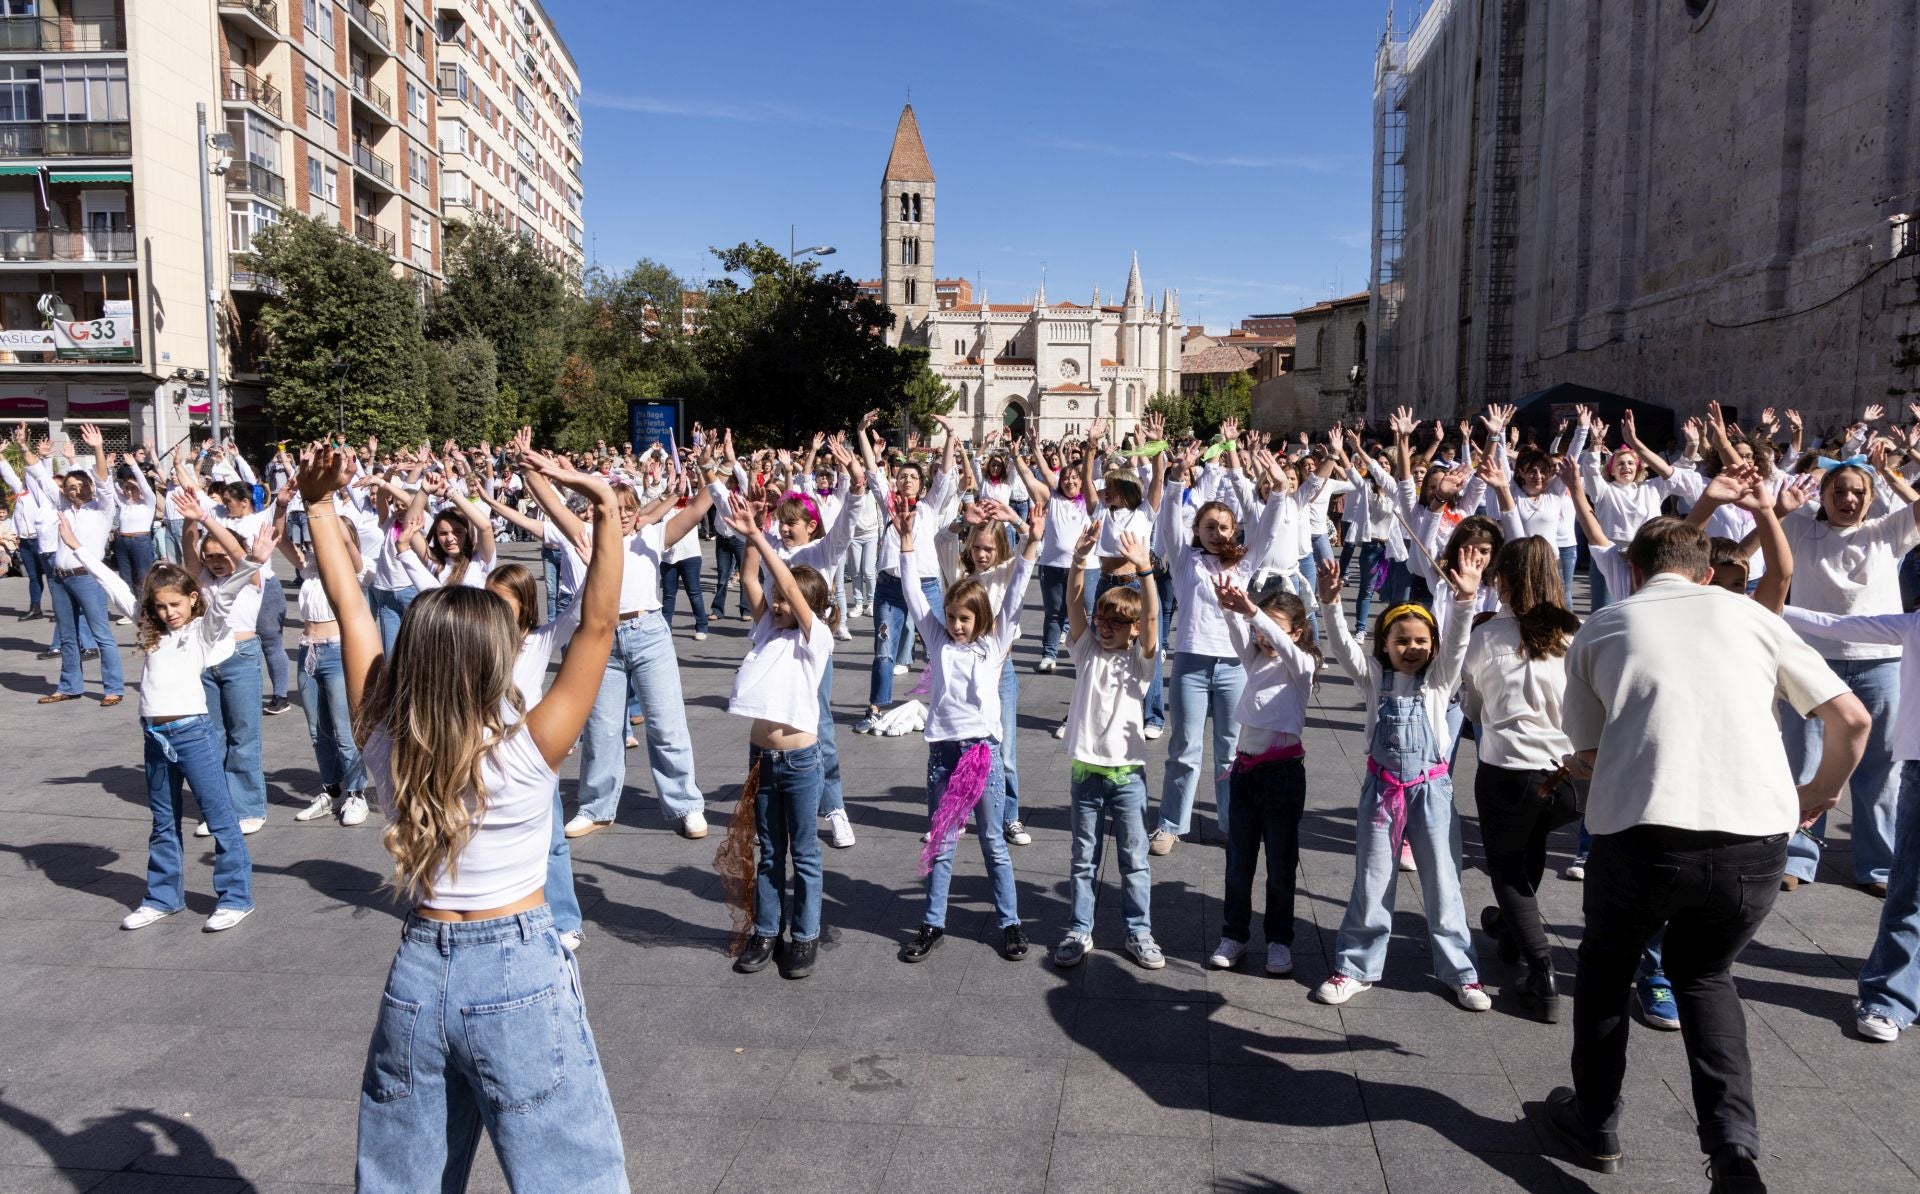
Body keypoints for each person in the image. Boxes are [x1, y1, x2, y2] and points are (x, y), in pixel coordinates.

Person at [300, 443, 631, 1192]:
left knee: (403, 1178)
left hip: (419, 964)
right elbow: (599, 628)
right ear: (495, 661)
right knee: (569, 1175)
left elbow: (354, 610)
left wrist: (318, 506)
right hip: (517, 961)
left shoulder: (385, 741)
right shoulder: (526, 751)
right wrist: (605, 509)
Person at [1546, 517, 1868, 1189]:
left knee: (1607, 971)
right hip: (1754, 837)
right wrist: (1819, 792)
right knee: (1705, 975)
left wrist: (1589, 764)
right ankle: (1731, 1150)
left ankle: (1597, 1121)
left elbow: (1590, 752)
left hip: (1645, 836)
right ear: (1704, 572)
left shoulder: (1604, 625)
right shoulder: (1754, 619)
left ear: (1634, 572)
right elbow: (1852, 720)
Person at [70, 503, 270, 933]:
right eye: (160, 607)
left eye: (175, 604)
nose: (168, 613)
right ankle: (163, 896)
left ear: (192, 599)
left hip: (192, 733)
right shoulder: (151, 630)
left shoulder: (203, 630)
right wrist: (82, 553)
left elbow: (227, 598)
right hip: (154, 734)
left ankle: (236, 897)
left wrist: (252, 560)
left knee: (220, 817)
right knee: (163, 821)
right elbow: (115, 587)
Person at [1313, 554, 1492, 1013]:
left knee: (1443, 882)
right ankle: (1354, 968)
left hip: (1431, 792)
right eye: (1401, 640)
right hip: (1382, 791)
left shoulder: (1438, 683)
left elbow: (1456, 646)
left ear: (1431, 645)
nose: (1411, 647)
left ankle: (1461, 973)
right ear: (1385, 645)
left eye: (1420, 640)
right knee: (1372, 881)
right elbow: (1341, 648)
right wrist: (1331, 603)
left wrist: (1467, 598)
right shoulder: (1374, 681)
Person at [537, 436, 711, 843]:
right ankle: (596, 807)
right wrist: (536, 468)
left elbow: (702, 504)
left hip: (648, 633)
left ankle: (686, 805)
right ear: (602, 512)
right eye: (617, 510)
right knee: (601, 728)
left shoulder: (651, 537)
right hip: (602, 640)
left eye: (631, 509)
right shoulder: (586, 535)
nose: (626, 516)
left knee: (667, 725)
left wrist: (708, 467)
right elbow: (552, 505)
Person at [894, 499, 1039, 964]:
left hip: (982, 753)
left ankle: (1011, 923)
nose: (956, 625)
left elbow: (1015, 594)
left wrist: (1032, 544)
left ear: (980, 620)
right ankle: (933, 923)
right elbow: (916, 595)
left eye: (964, 619)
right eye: (952, 617)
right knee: (943, 841)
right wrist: (905, 542)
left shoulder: (994, 644)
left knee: (993, 842)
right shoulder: (937, 638)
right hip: (943, 753)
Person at [1772, 453, 1919, 892]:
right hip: (1813, 664)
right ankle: (1797, 859)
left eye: (1858, 492)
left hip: (1880, 666)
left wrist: (1891, 469)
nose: (1848, 499)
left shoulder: (1887, 532)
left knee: (1880, 771)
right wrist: (1794, 495)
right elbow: (1761, 530)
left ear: (1872, 498)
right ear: (1824, 496)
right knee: (1804, 761)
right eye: (1839, 491)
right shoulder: (1802, 528)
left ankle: (1878, 866)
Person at [1461, 535, 1583, 1022]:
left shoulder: (1486, 637)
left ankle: (1543, 969)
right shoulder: (1575, 633)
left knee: (1508, 867)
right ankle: (1510, 934)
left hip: (1509, 768)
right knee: (1530, 845)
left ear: (1504, 581)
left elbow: (1471, 705)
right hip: (1569, 775)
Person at [722, 496, 837, 979]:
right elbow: (755, 579)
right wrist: (754, 534)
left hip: (801, 762)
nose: (776, 601)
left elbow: (786, 578)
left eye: (786, 599)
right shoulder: (767, 630)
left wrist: (771, 554)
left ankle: (805, 936)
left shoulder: (816, 640)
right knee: (769, 852)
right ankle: (767, 930)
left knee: (805, 854)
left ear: (808, 606)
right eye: (775, 598)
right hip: (762, 759)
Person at [1052, 523, 1163, 969]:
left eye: (1118, 622)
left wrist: (1146, 571)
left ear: (1134, 630)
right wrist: (1079, 559)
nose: (1106, 627)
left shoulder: (1140, 664)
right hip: (1086, 771)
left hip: (1127, 776)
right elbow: (1073, 601)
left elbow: (1154, 619)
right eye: (1103, 619)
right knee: (1083, 858)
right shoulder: (1085, 650)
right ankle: (1080, 930)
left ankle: (1139, 932)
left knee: (1134, 860)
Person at [1210, 573, 1319, 977]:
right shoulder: (1255, 659)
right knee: (1239, 861)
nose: (1264, 636)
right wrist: (1230, 605)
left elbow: (1283, 644)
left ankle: (1279, 940)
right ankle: (1234, 934)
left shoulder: (1301, 665)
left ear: (1297, 630)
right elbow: (1239, 629)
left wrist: (1254, 610)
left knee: (1281, 863)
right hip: (1245, 772)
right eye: (1261, 630)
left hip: (1283, 776)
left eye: (1274, 628)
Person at [937, 497, 1045, 846]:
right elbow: (940, 542)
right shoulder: (960, 574)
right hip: (961, 670)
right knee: (959, 744)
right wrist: (960, 522)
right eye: (977, 547)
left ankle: (1009, 816)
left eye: (989, 548)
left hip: (1000, 670)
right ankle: (961, 809)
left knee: (1004, 749)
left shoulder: (1006, 572)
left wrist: (1015, 519)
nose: (983, 554)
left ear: (1000, 549)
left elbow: (1033, 546)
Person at [23, 426, 123, 706]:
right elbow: (41, 476)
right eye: (70, 486)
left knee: (101, 634)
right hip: (59, 577)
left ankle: (113, 688)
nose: (74, 489)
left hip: (87, 578)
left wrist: (98, 448)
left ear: (90, 487)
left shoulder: (102, 508)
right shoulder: (62, 505)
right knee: (67, 636)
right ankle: (69, 685)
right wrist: (24, 448)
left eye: (80, 485)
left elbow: (103, 479)